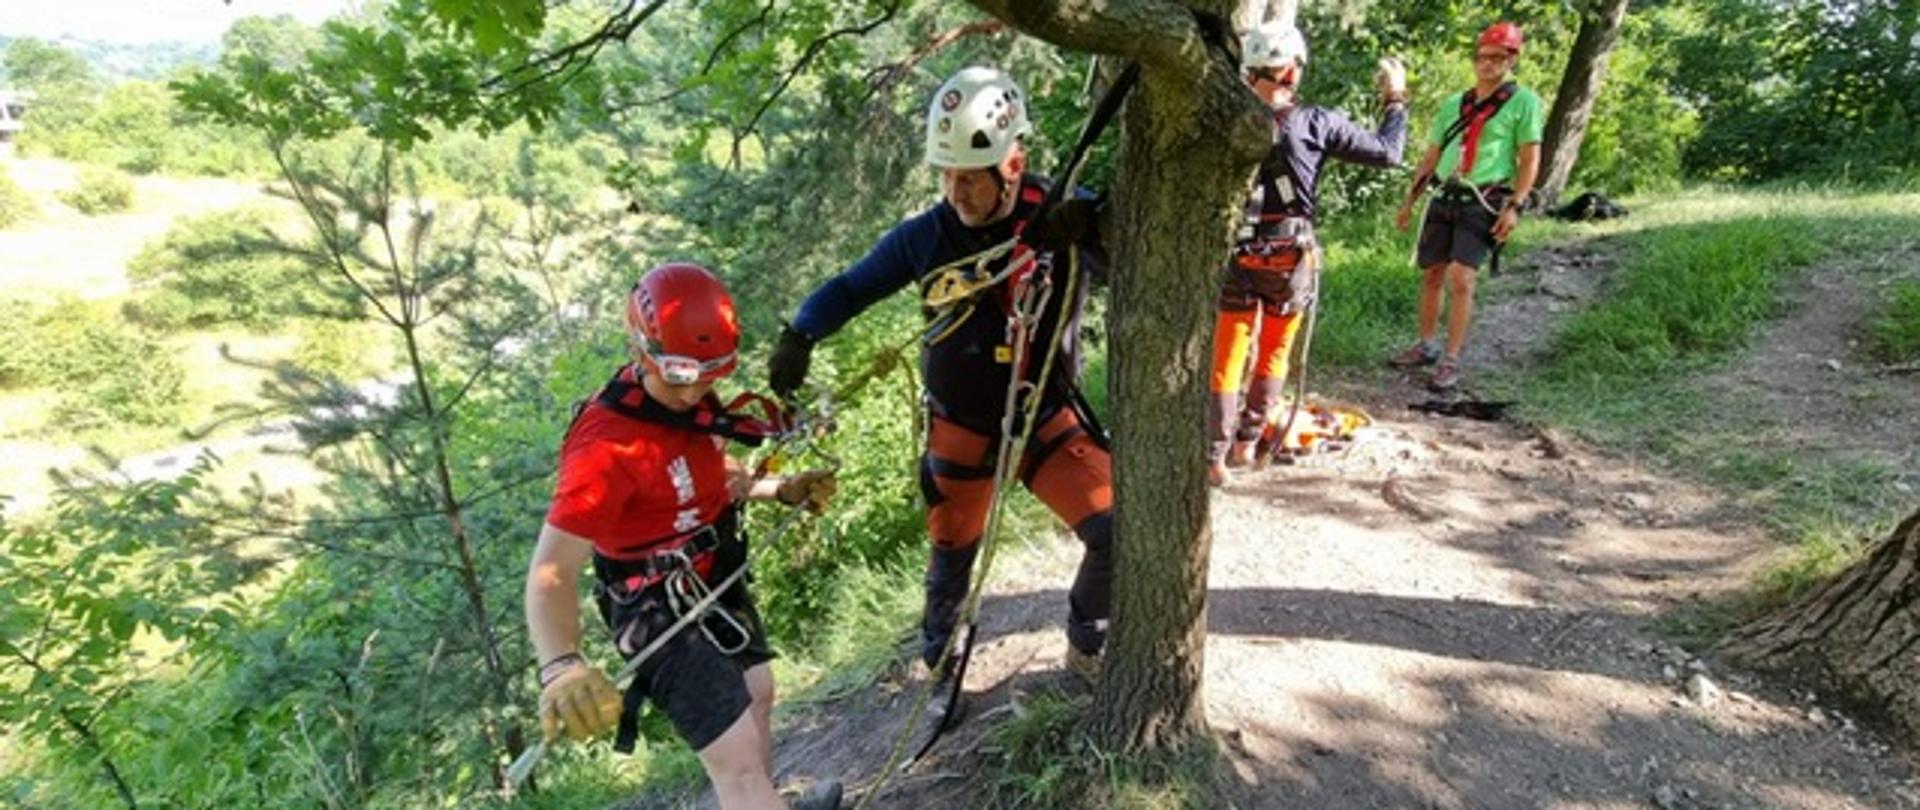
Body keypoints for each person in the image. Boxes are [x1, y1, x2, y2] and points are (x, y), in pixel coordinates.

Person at [766, 66, 1114, 688]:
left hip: (1043, 418)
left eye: (969, 178)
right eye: (946, 175)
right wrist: (802, 333)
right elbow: (851, 287)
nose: (956, 192)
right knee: (951, 559)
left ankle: (1088, 646)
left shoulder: (1061, 213)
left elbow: (1135, 262)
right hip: (961, 428)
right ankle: (939, 660)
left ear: (1012, 165)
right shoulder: (925, 237)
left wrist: (1088, 234)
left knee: (1117, 532)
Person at [525, 263, 841, 810]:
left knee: (758, 696)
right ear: (643, 350)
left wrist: (780, 490)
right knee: (735, 757)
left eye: (710, 372)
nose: (695, 387)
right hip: (652, 603)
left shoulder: (691, 402)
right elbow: (552, 571)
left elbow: (710, 479)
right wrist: (561, 666)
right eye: (680, 372)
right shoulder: (604, 447)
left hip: (711, 575)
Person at [1206, 20, 1407, 486]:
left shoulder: (1223, 122)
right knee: (1273, 352)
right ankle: (1246, 444)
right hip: (1290, 255)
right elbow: (1389, 152)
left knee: (1229, 354)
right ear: (1292, 73)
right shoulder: (1315, 122)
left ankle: (1214, 456)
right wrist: (1395, 99)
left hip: (1237, 252)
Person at [1390, 21, 1544, 392]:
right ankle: (1426, 344)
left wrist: (1515, 206)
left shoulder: (1524, 103)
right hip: (1445, 194)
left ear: (1511, 60)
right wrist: (1410, 199)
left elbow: (1529, 158)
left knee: (1463, 277)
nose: (1487, 64)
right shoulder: (1454, 104)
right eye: (1482, 57)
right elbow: (1432, 154)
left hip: (1484, 198)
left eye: (1497, 58)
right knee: (1432, 273)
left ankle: (1451, 358)